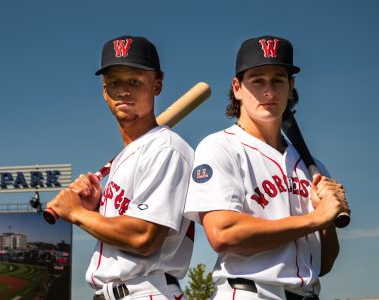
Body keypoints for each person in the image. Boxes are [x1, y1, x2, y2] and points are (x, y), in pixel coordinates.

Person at [184, 35, 350, 300]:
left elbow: (324, 264)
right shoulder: (220, 147)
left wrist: (328, 217)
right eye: (257, 80)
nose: (269, 91)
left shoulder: (313, 167)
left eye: (278, 80)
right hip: (250, 291)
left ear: (291, 86)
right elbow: (223, 233)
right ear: (237, 88)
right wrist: (313, 220)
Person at [47, 35, 194, 300]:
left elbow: (144, 237)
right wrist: (98, 207)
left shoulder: (166, 148)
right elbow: (126, 230)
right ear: (105, 91)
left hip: (146, 290)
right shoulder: (130, 155)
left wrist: (77, 214)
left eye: (135, 81)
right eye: (115, 82)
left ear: (157, 85)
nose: (124, 90)